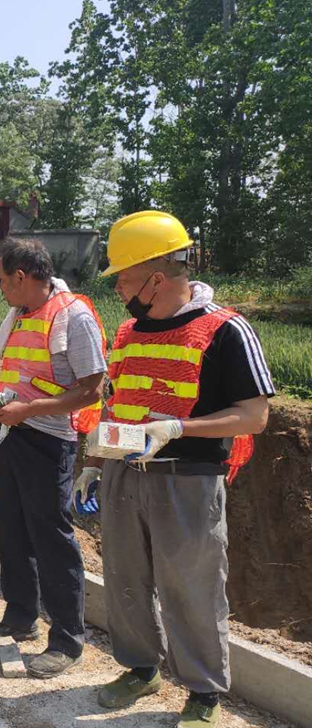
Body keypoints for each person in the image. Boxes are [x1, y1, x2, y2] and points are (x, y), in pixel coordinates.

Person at [74, 211, 274, 727]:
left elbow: (254, 416)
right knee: (125, 577)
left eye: (123, 276)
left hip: (187, 480)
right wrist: (93, 465)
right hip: (123, 474)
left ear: (155, 278)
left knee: (191, 586)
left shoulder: (226, 331)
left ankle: (204, 694)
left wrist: (179, 428)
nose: (118, 287)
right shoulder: (128, 331)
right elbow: (115, 404)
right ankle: (142, 669)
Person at [0, 237, 107, 678]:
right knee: (13, 533)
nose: (0, 288)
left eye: (2, 279)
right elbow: (7, 381)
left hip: (49, 442)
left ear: (21, 276)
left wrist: (28, 412)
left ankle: (67, 639)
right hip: (12, 436)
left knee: (52, 540)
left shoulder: (72, 316)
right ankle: (20, 617)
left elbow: (91, 390)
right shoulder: (19, 315)